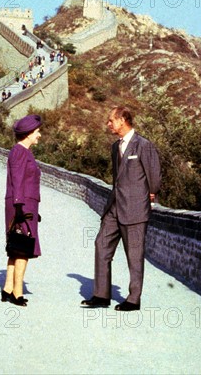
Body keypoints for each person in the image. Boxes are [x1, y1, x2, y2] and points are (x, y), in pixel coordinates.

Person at [81, 106, 161, 311]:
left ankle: (134, 299)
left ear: (123, 120)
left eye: (111, 120)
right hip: (114, 206)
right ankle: (101, 295)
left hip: (135, 209)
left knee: (134, 254)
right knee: (101, 244)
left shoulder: (144, 146)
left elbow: (154, 177)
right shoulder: (115, 147)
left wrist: (149, 198)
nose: (108, 124)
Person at [2, 114, 42, 307]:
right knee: (23, 249)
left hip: (25, 204)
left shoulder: (24, 152)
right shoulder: (20, 152)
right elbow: (17, 179)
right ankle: (17, 292)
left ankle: (7, 288)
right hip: (22, 204)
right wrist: (19, 206)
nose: (39, 135)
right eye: (37, 132)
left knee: (16, 246)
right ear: (27, 134)